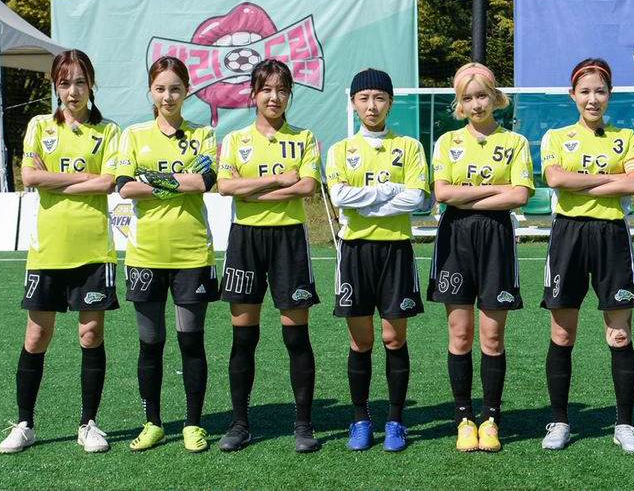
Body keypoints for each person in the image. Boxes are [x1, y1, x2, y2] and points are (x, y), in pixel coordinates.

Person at [0, 50, 120, 454]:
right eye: (65, 83)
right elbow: (29, 176)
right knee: (36, 336)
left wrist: (56, 179)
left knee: (90, 335)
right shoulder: (39, 125)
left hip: (94, 251)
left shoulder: (108, 130)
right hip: (47, 250)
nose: (73, 91)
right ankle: (25, 424)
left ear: (91, 85)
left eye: (80, 82)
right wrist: (83, 177)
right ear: (55, 86)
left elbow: (108, 183)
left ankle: (88, 424)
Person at [538, 58, 634, 454]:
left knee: (619, 333)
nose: (593, 98)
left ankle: (625, 425)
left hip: (611, 235)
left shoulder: (625, 137)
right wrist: (610, 180)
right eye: (585, 91)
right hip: (568, 235)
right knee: (562, 333)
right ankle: (559, 421)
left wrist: (582, 184)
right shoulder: (556, 136)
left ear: (609, 95)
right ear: (573, 95)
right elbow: (555, 179)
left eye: (600, 91)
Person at [216, 59, 322, 453]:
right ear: (254, 94)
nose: (273, 97)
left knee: (296, 337)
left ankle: (304, 425)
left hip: (288, 239)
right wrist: (277, 180)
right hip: (245, 239)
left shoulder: (304, 138)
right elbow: (225, 187)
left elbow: (307, 186)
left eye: (281, 90)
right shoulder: (235, 139)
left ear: (289, 94)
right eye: (266, 90)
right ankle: (239, 424)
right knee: (244, 338)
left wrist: (252, 190)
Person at [428, 62, 533, 452]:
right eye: (468, 98)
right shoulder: (447, 141)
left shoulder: (515, 142)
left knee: (492, 336)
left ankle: (490, 419)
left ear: (495, 97)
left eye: (482, 95)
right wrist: (494, 190)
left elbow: (520, 195)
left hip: (496, 239)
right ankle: (463, 419)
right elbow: (443, 194)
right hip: (455, 237)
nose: (476, 104)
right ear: (460, 103)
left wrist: (467, 193)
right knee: (460, 335)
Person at [116, 56, 219, 453]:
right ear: (150, 92)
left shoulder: (203, 134)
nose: (168, 96)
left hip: (192, 253)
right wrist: (179, 180)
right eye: (160, 88)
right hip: (145, 254)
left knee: (191, 341)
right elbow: (124, 186)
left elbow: (205, 181)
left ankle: (193, 424)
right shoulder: (133, 134)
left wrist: (152, 179)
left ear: (186, 91)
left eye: (175, 88)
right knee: (151, 343)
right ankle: (154, 423)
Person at [325, 68, 430, 452]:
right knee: (361, 340)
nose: (372, 106)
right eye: (364, 98)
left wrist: (366, 200)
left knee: (394, 338)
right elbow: (339, 197)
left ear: (390, 102)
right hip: (354, 251)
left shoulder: (409, 147)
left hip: (395, 249)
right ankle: (360, 420)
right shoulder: (340, 150)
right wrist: (388, 191)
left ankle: (396, 421)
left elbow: (416, 198)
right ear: (354, 103)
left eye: (379, 98)